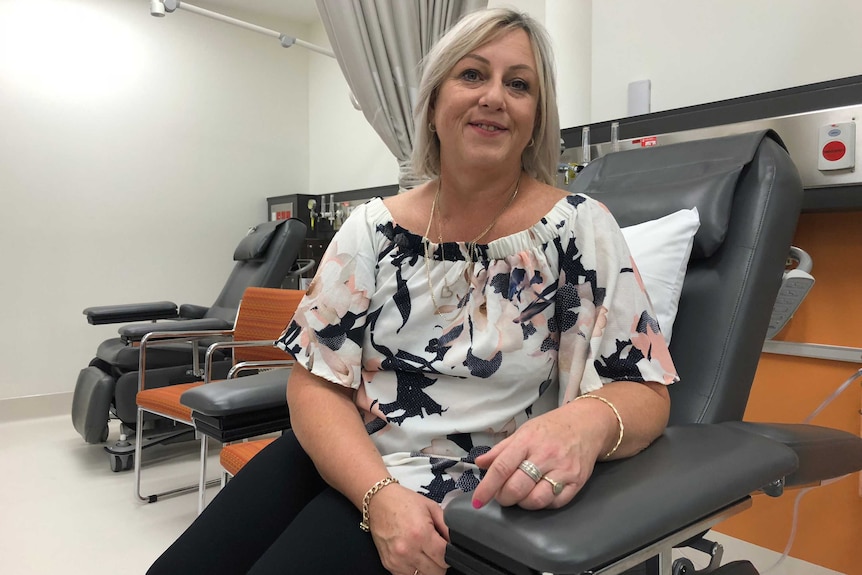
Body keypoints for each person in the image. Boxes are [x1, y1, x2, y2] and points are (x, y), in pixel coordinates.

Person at [148, 7, 676, 575]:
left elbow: (646, 392)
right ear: (432, 101)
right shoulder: (372, 229)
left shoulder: (579, 227)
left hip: (463, 493)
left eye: (518, 84)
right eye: (472, 75)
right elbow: (315, 383)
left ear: (536, 116)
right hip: (346, 458)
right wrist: (377, 496)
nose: (494, 96)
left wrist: (584, 424)